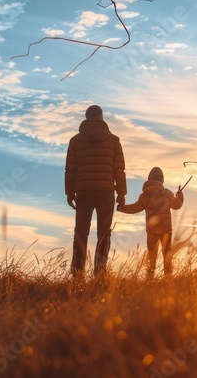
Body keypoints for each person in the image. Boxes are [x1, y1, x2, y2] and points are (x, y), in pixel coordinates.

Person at [65, 104, 127, 278]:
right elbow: (119, 169)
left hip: (83, 191)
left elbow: (70, 169)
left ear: (86, 117)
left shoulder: (75, 141)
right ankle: (100, 273)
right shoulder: (114, 140)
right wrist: (121, 193)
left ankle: (78, 274)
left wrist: (69, 193)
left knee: (81, 232)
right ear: (101, 117)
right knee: (104, 233)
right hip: (106, 191)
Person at [117, 166, 184, 278]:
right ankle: (168, 279)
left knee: (151, 258)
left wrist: (121, 208)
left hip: (152, 231)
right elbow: (177, 205)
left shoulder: (144, 196)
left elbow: (135, 208)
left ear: (149, 179)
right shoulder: (167, 193)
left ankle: (149, 279)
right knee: (167, 256)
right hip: (166, 230)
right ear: (161, 180)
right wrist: (180, 196)